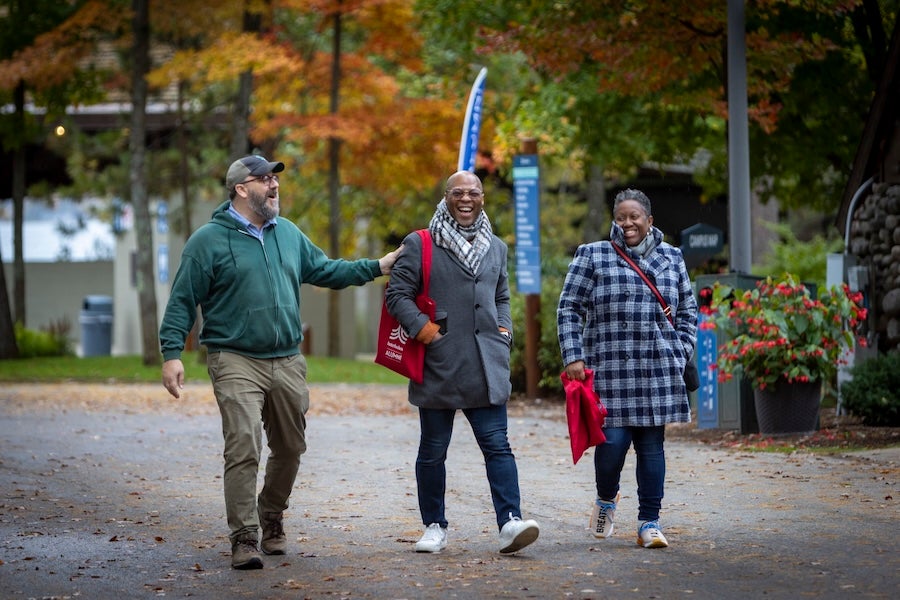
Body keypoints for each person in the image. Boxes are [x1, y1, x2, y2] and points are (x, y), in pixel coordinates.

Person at [159, 154, 402, 569]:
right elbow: (183, 298)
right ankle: (245, 537)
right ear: (240, 188)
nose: (274, 186)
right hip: (234, 357)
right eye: (264, 179)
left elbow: (326, 270)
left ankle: (271, 513)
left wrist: (378, 266)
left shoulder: (287, 234)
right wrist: (171, 354)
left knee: (290, 446)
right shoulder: (208, 241)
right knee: (243, 445)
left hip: (287, 358)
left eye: (275, 179)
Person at [384, 170, 540, 555]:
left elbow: (501, 295)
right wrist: (426, 333)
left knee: (498, 445)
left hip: (487, 365)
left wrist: (504, 331)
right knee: (433, 448)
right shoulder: (419, 244)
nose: (466, 199)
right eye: (458, 193)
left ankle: (510, 522)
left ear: (483, 197)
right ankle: (434, 525)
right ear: (446, 197)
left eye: (474, 192)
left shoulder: (497, 247)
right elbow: (397, 295)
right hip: (440, 361)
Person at [556, 188, 697, 549]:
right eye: (621, 217)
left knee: (652, 448)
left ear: (649, 221)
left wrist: (679, 352)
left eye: (635, 216)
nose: (628, 223)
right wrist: (573, 356)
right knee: (612, 447)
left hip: (657, 369)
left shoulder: (672, 258)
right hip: (609, 369)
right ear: (614, 220)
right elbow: (569, 307)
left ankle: (649, 522)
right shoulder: (593, 255)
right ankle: (607, 499)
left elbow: (688, 312)